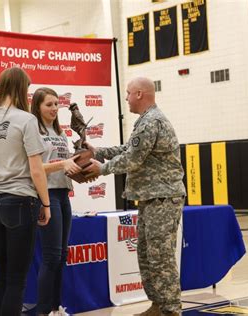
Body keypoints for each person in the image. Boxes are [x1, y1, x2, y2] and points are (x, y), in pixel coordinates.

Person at [83, 77, 186, 316]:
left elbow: (132, 159)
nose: (127, 98)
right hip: (152, 199)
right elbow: (128, 150)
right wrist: (97, 152)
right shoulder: (145, 121)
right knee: (147, 255)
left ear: (140, 94)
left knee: (160, 256)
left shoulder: (152, 121)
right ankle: (158, 305)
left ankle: (171, 310)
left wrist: (102, 168)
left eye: (128, 93)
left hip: (163, 198)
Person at [0, 67, 50, 316]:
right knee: (17, 279)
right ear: (20, 88)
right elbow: (37, 169)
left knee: (5, 276)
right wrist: (46, 204)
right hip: (20, 202)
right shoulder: (27, 120)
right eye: (27, 88)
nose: (29, 94)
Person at [31, 87, 81, 315]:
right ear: (37, 106)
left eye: (56, 104)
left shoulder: (61, 132)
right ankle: (43, 310)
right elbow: (36, 168)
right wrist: (62, 165)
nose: (53, 108)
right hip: (46, 194)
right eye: (48, 104)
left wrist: (81, 168)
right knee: (51, 256)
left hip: (63, 194)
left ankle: (55, 307)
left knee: (62, 256)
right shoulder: (34, 131)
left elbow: (65, 164)